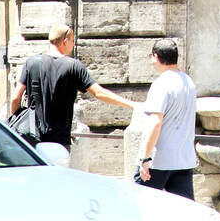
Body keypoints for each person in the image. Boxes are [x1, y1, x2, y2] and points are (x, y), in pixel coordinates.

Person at [9, 22, 135, 150]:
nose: (73, 44)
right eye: (72, 40)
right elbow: (99, 93)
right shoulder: (74, 66)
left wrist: (18, 119)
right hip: (59, 142)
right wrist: (132, 104)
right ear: (65, 41)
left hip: (32, 140)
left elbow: (15, 98)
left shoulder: (31, 63)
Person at [135, 38, 197, 201]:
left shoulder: (161, 84)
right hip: (183, 160)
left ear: (155, 56)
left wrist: (145, 158)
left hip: (159, 161)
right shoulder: (189, 82)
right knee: (184, 211)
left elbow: (155, 122)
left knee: (139, 207)